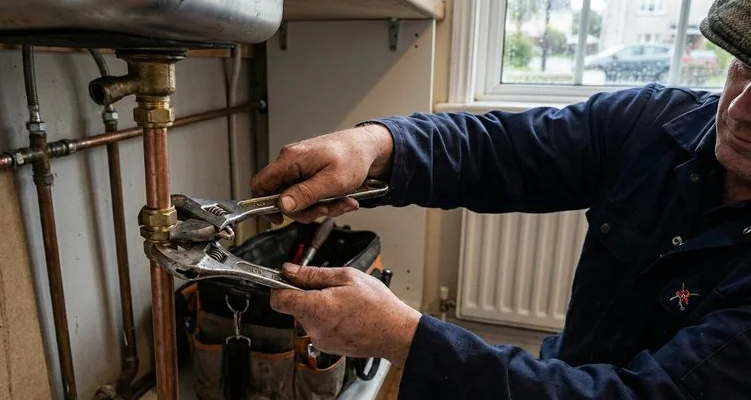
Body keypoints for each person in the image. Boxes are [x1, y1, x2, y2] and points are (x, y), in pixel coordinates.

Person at [250, 1, 751, 398]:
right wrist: (375, 146)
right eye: (743, 67)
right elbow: (499, 149)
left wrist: (404, 337)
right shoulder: (657, 122)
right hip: (565, 370)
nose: (740, 107)